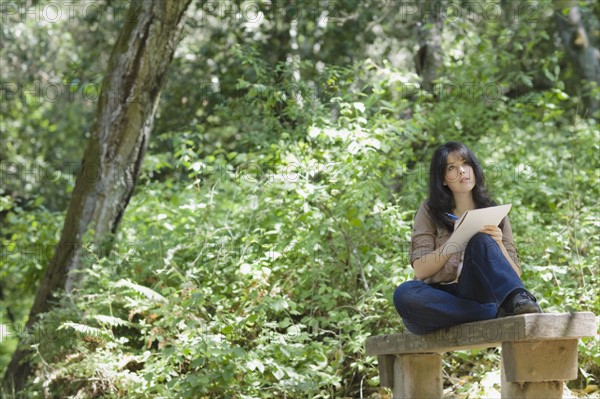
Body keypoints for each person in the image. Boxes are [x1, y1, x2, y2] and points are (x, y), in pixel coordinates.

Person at [393, 141, 541, 335]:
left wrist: (497, 244)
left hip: (475, 293)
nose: (462, 171)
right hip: (437, 299)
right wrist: (454, 241)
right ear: (444, 179)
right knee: (404, 294)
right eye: (452, 168)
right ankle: (492, 312)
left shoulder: (495, 213)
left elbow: (514, 276)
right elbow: (421, 270)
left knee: (481, 240)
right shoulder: (429, 210)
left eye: (465, 163)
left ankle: (512, 303)